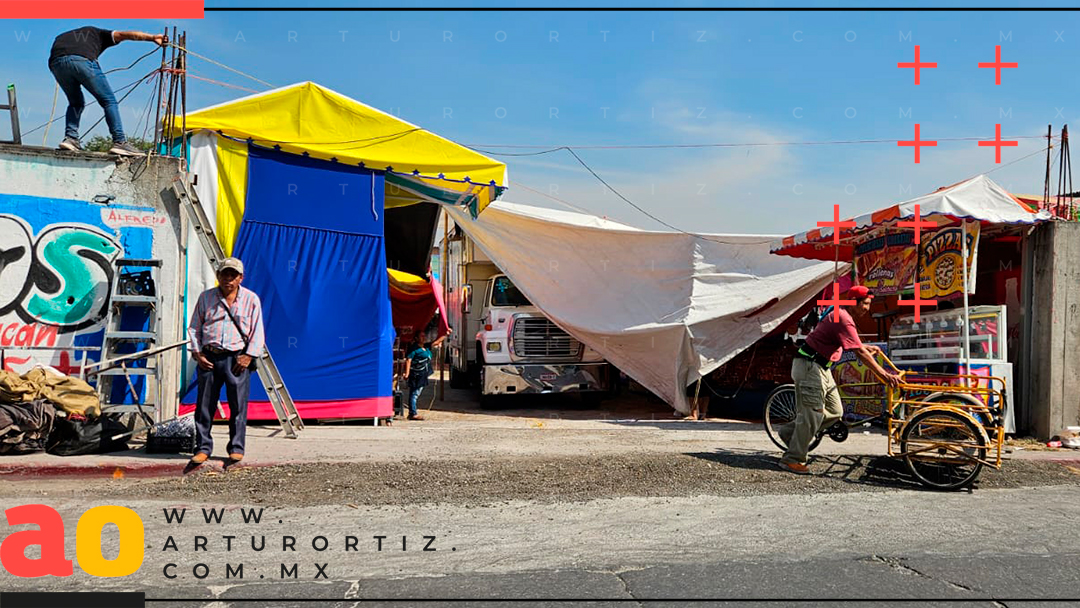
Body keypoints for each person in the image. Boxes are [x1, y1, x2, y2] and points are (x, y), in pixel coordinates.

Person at [778, 285, 902, 475]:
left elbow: (853, 344)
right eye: (865, 304)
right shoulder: (843, 318)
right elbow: (858, 351)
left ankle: (789, 433)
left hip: (822, 368)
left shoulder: (843, 315)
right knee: (813, 415)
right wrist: (883, 375)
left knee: (835, 411)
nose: (868, 308)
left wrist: (865, 347)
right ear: (854, 303)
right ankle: (792, 459)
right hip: (810, 366)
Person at [187, 258, 265, 465]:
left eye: (233, 275)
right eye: (224, 274)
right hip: (209, 358)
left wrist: (248, 356)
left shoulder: (251, 299)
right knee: (204, 405)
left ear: (240, 278)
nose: (228, 279)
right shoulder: (206, 298)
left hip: (237, 359)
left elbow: (257, 331)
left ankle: (236, 448)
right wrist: (197, 353)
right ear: (218, 276)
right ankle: (203, 448)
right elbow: (195, 326)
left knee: (238, 406)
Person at [48, 26, 166, 156]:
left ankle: (70, 138)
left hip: (56, 64)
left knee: (76, 103)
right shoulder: (98, 33)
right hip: (81, 60)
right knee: (109, 101)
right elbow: (123, 34)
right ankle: (120, 142)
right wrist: (152, 37)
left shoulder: (64, 36)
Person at [402, 332, 434, 421]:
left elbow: (437, 342)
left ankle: (412, 412)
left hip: (423, 374)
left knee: (416, 393)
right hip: (416, 374)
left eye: (424, 335)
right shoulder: (414, 349)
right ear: (416, 338)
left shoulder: (426, 347)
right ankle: (413, 413)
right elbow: (409, 360)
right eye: (422, 336)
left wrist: (445, 333)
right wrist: (407, 373)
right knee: (414, 394)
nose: (424, 337)